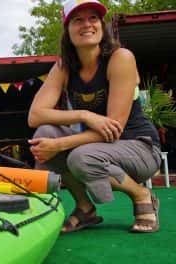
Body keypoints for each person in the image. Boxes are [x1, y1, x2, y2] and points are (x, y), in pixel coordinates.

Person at [28, 0, 161, 233]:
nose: (86, 24)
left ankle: (142, 195)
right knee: (43, 135)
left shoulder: (120, 58)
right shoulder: (64, 67)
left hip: (140, 148)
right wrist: (85, 114)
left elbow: (114, 128)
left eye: (93, 18)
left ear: (101, 25)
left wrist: (59, 144)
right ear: (67, 30)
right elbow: (35, 115)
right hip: (95, 146)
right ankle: (85, 209)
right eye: (78, 20)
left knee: (79, 156)